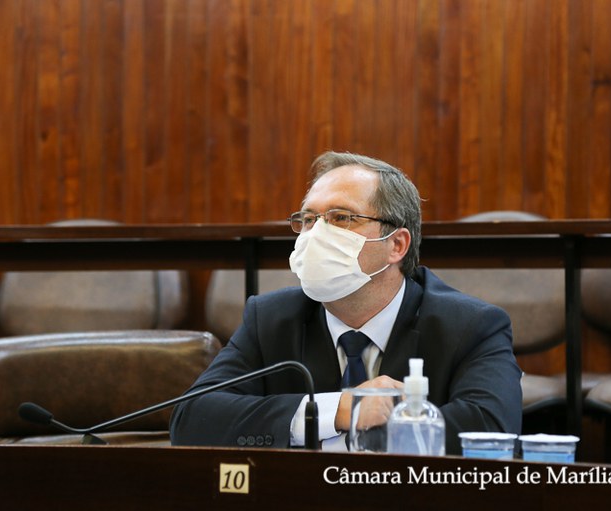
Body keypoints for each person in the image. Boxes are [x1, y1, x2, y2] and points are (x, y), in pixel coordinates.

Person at [170, 151, 522, 453]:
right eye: (308, 219)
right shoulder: (271, 318)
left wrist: (377, 425)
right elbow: (192, 420)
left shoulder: (471, 325)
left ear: (396, 245)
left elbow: (492, 430)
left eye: (341, 218)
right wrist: (339, 410)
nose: (316, 234)